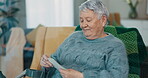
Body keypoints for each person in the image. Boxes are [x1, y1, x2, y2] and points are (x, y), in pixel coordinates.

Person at [40, 0, 129, 78]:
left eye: (88, 20)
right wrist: (46, 64)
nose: (83, 25)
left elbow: (118, 75)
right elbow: (54, 60)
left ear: (103, 20)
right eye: (82, 20)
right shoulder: (73, 37)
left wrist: (81, 76)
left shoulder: (115, 46)